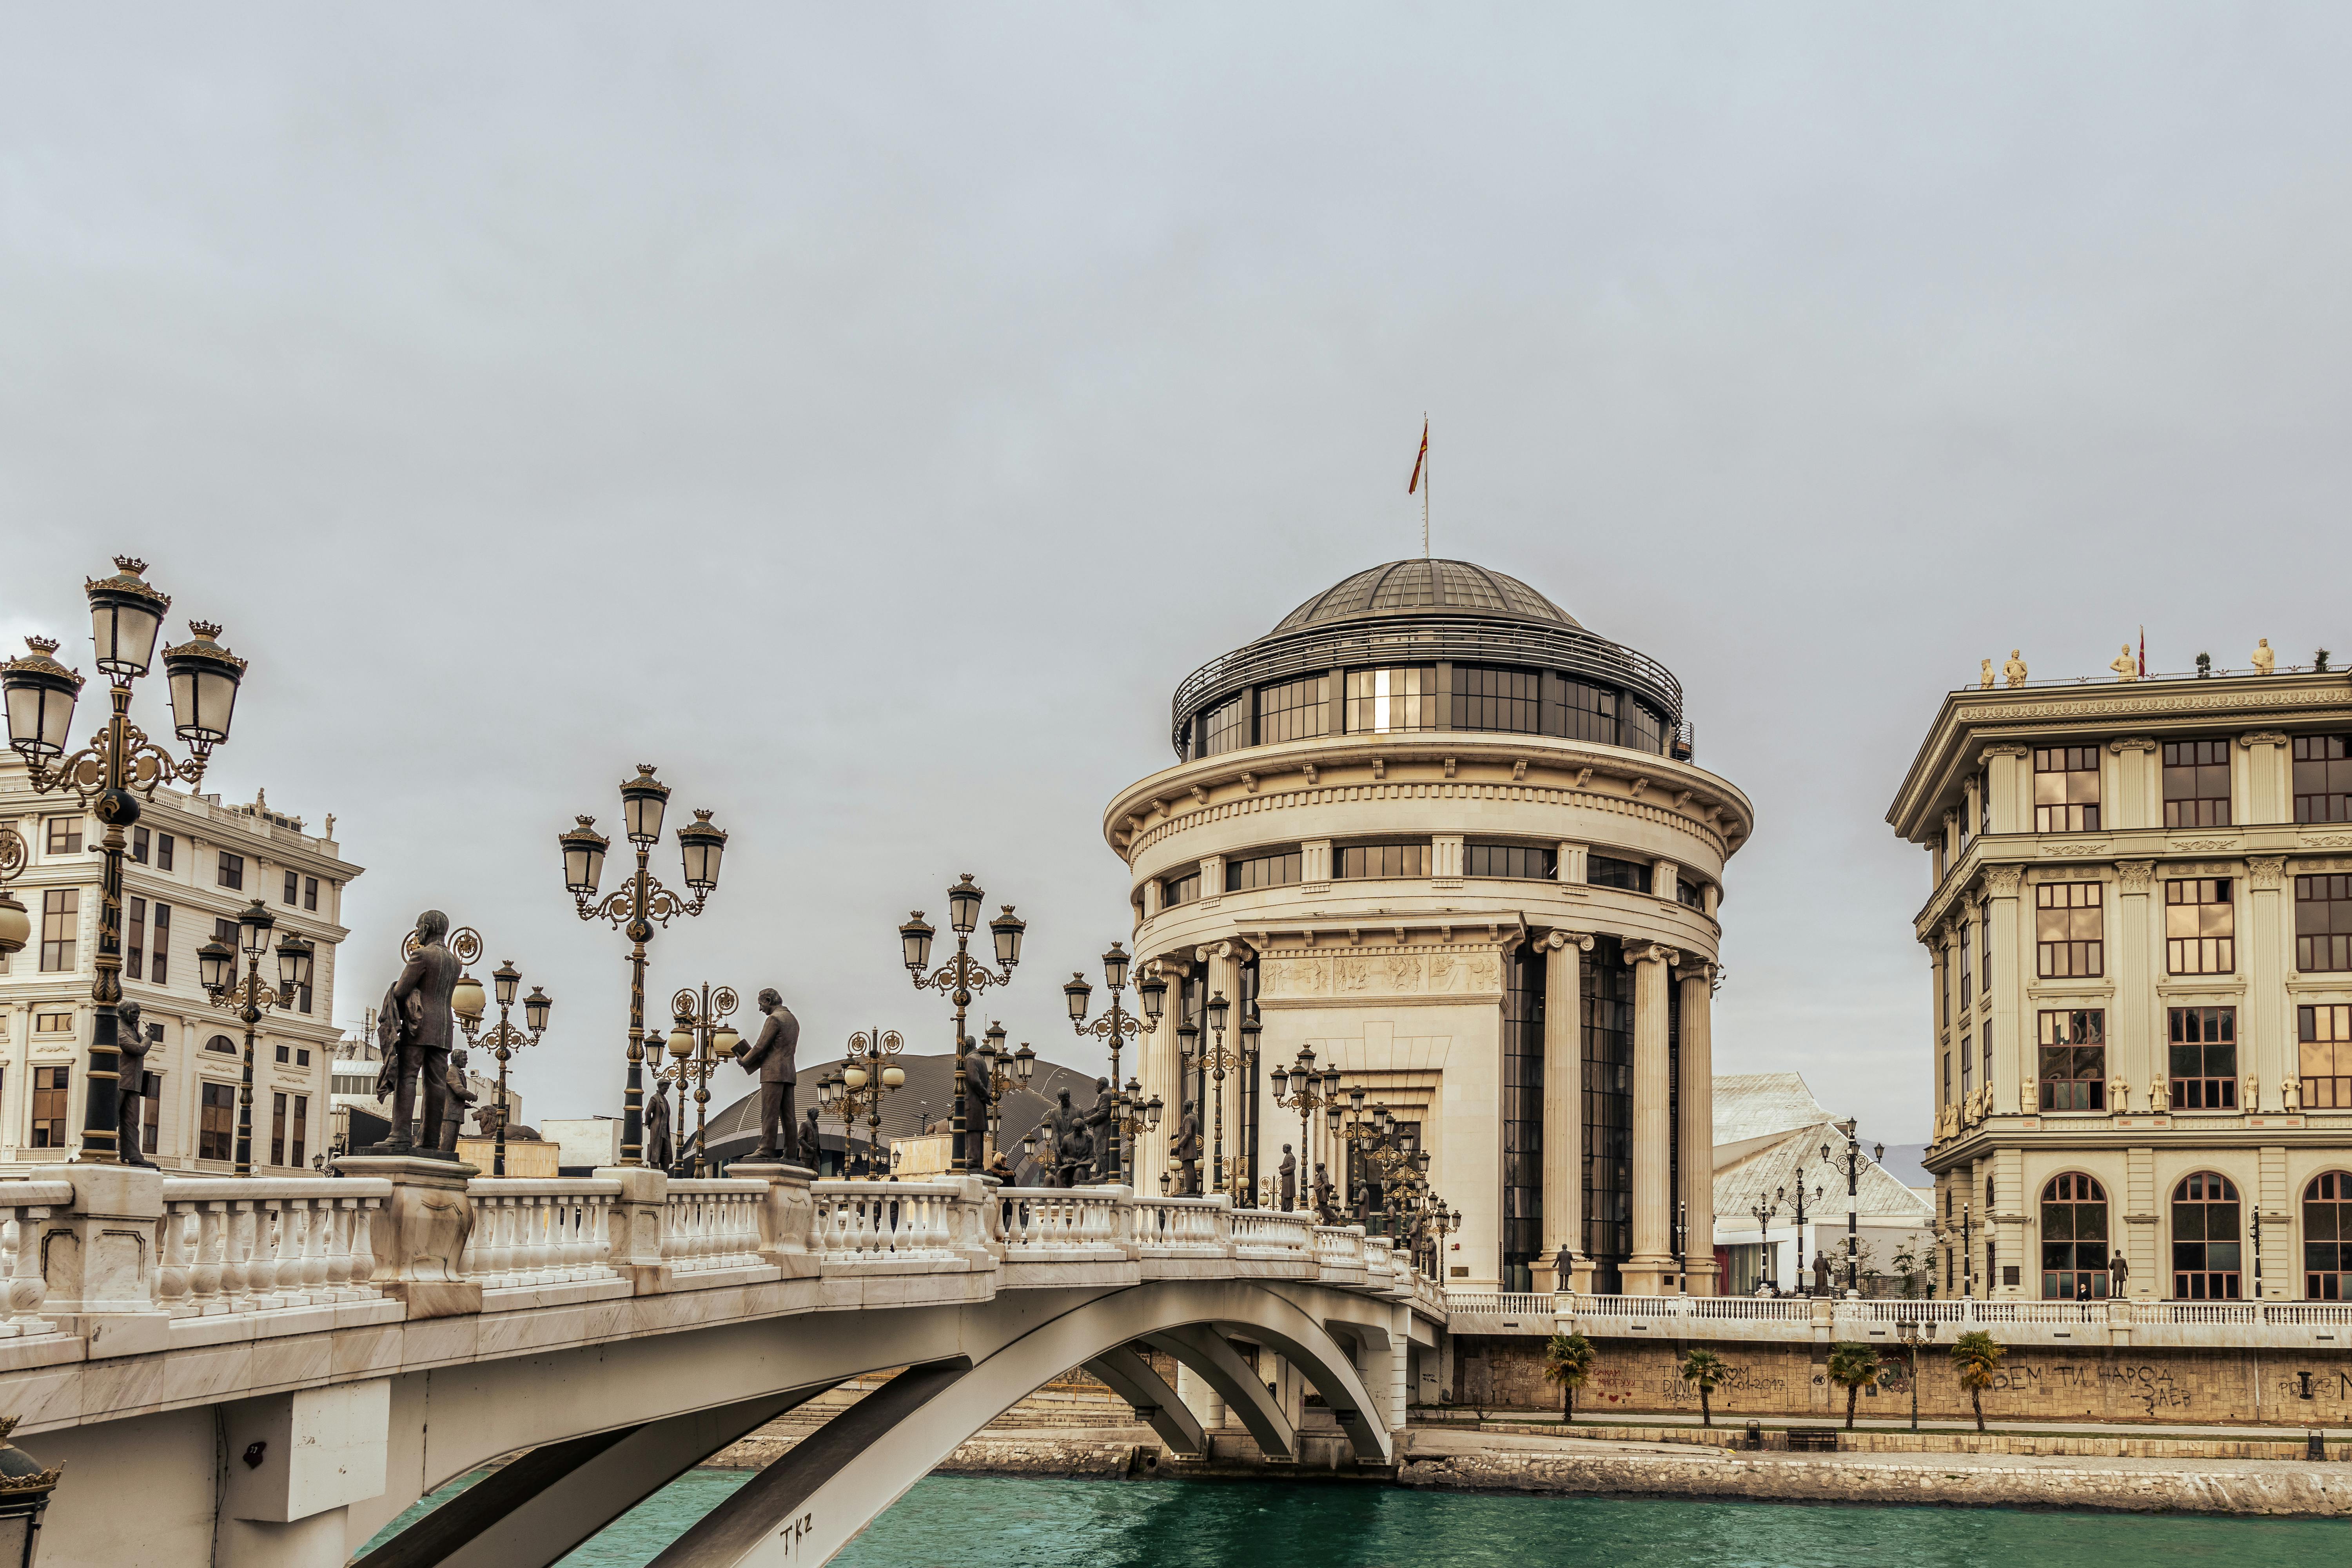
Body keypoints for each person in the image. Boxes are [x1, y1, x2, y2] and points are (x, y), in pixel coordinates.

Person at [383, 911, 461, 1153]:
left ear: (427, 928)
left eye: (419, 928)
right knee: (436, 1083)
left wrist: (394, 990)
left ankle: (400, 1136)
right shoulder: (454, 961)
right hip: (445, 1027)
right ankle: (429, 1140)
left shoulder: (422, 955)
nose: (417, 932)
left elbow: (401, 990)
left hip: (419, 1026)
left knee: (407, 1076)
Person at [735, 987, 800, 1163]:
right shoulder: (793, 1020)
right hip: (789, 1072)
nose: (760, 1009)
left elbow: (759, 1046)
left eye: (761, 1004)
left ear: (769, 1001)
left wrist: (745, 1061)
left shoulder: (775, 1019)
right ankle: (791, 1153)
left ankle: (766, 1150)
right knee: (789, 1116)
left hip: (773, 1072)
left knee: (769, 1113)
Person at [116, 1000, 154, 1167]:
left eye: (138, 1012)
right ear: (122, 1013)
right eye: (133, 1012)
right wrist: (149, 1038)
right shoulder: (117, 1030)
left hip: (134, 1082)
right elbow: (139, 1050)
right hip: (121, 1081)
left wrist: (144, 1037)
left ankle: (132, 1155)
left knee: (132, 1121)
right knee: (111, 1119)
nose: (137, 1015)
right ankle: (104, 1150)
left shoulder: (134, 1031)